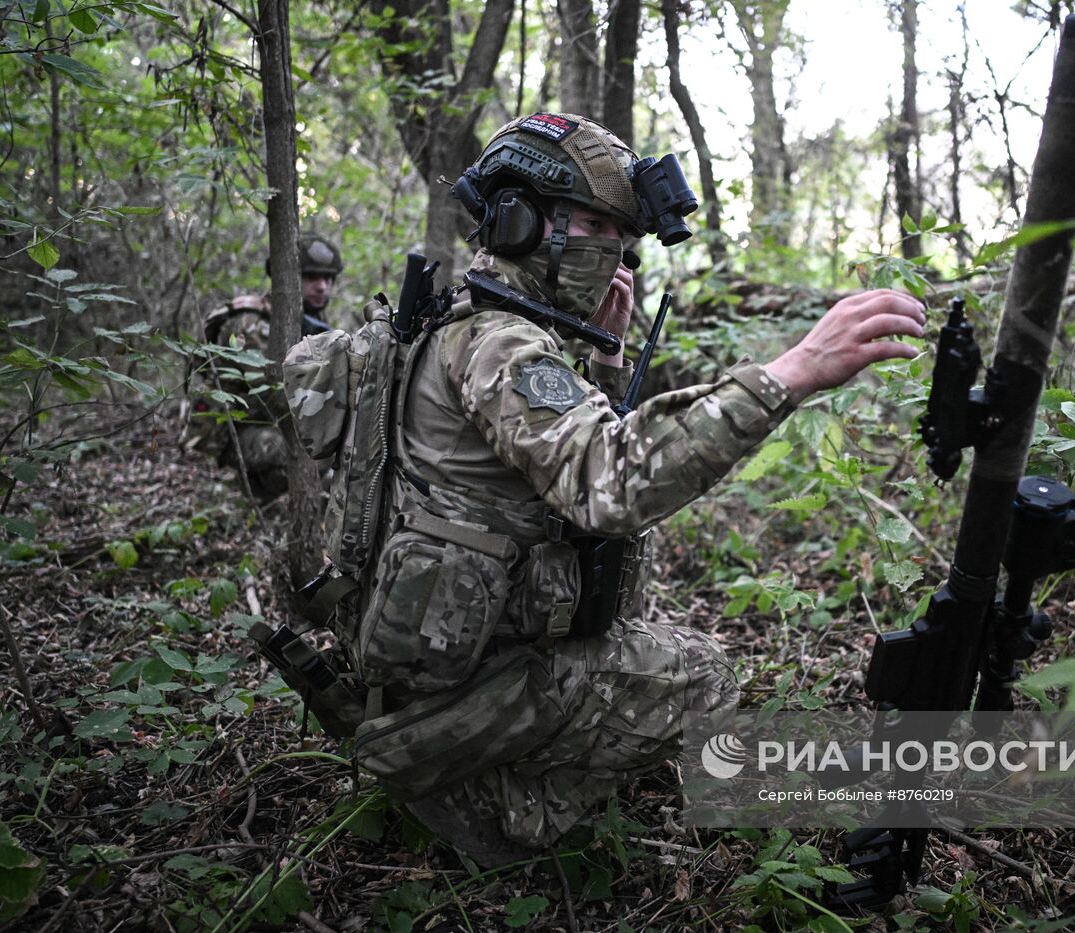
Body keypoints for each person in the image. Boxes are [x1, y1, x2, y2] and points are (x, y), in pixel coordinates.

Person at [358, 113, 925, 866]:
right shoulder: (499, 341)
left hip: (434, 653)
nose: (616, 253)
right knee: (703, 676)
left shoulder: (465, 321)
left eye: (623, 238)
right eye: (599, 225)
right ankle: (505, 810)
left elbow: (542, 470)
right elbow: (608, 484)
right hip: (461, 682)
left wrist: (604, 355)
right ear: (526, 220)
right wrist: (791, 372)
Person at [193, 234, 343, 501]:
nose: (322, 287)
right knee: (319, 447)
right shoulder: (254, 325)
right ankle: (252, 495)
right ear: (287, 278)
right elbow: (276, 400)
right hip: (233, 436)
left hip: (270, 428)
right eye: (311, 278)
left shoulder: (311, 323)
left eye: (328, 279)